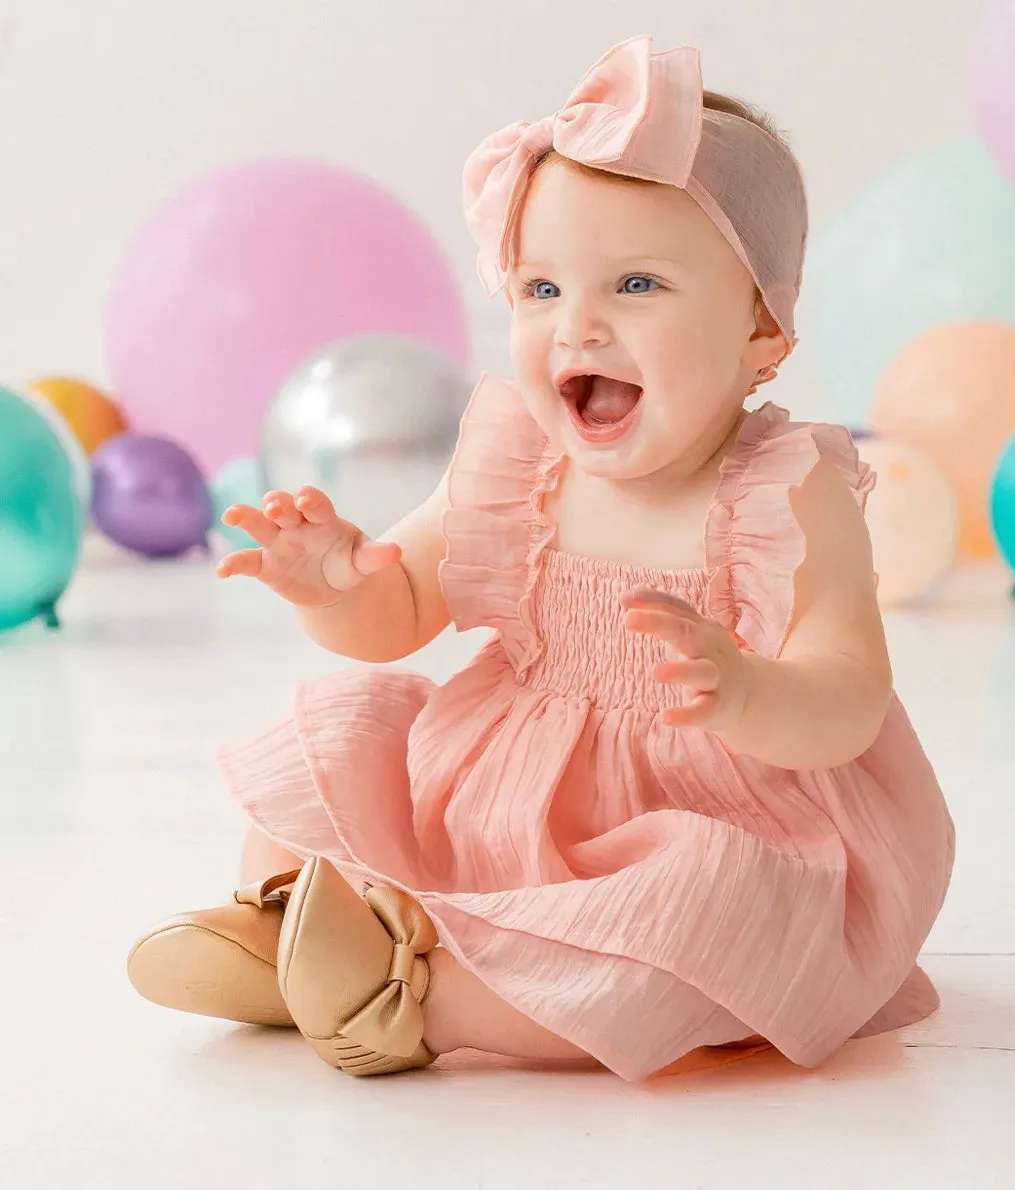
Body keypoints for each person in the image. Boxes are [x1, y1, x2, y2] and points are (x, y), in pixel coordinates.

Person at [127, 35, 954, 1083]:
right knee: (345, 729)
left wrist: (748, 691)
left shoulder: (784, 489)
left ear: (763, 331)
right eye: (542, 288)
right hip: (497, 801)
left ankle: (420, 998)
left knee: (710, 909)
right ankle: (288, 923)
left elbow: (848, 689)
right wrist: (338, 584)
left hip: (704, 816)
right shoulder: (519, 452)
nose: (581, 326)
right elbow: (405, 601)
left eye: (639, 282)